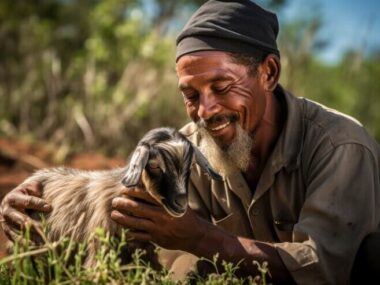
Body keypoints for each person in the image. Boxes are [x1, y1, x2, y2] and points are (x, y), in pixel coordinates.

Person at [1, 0, 380, 283]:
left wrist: (200, 238)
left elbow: (324, 271)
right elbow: (121, 205)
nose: (205, 110)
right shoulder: (187, 149)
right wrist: (43, 193)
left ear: (268, 72)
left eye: (221, 86)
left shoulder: (340, 147)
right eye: (192, 94)